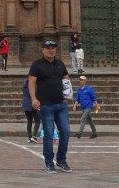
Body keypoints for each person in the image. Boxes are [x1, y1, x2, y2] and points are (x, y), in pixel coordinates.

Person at [28, 39, 71, 174]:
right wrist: (33, 98)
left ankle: (61, 160)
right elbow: (31, 82)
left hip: (61, 104)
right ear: (43, 50)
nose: (51, 50)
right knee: (48, 134)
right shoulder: (37, 65)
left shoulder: (60, 64)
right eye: (48, 48)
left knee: (66, 131)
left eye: (53, 48)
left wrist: (68, 94)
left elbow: (66, 79)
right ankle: (49, 162)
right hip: (45, 105)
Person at [22, 79, 42, 143]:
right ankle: (33, 136)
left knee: (29, 121)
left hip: (25, 104)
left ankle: (29, 137)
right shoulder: (33, 85)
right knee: (37, 120)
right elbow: (35, 94)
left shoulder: (24, 85)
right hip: (32, 104)